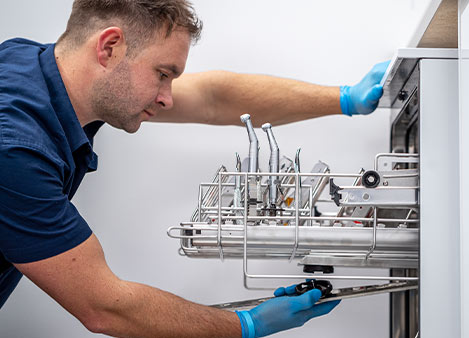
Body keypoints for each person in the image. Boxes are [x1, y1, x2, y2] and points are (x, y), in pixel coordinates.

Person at [0, 1, 388, 337]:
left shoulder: (30, 66)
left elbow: (211, 98)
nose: (168, 97)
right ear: (110, 47)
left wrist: (345, 98)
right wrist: (246, 325)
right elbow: (104, 306)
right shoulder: (15, 150)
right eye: (163, 74)